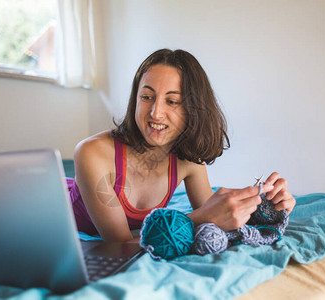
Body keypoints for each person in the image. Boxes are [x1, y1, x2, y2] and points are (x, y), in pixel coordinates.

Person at [67, 49, 296, 242]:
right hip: (48, 208)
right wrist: (197, 218)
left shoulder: (187, 159)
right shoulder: (92, 153)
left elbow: (218, 218)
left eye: (172, 101)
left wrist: (268, 206)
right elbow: (120, 245)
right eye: (147, 97)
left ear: (193, 109)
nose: (156, 113)